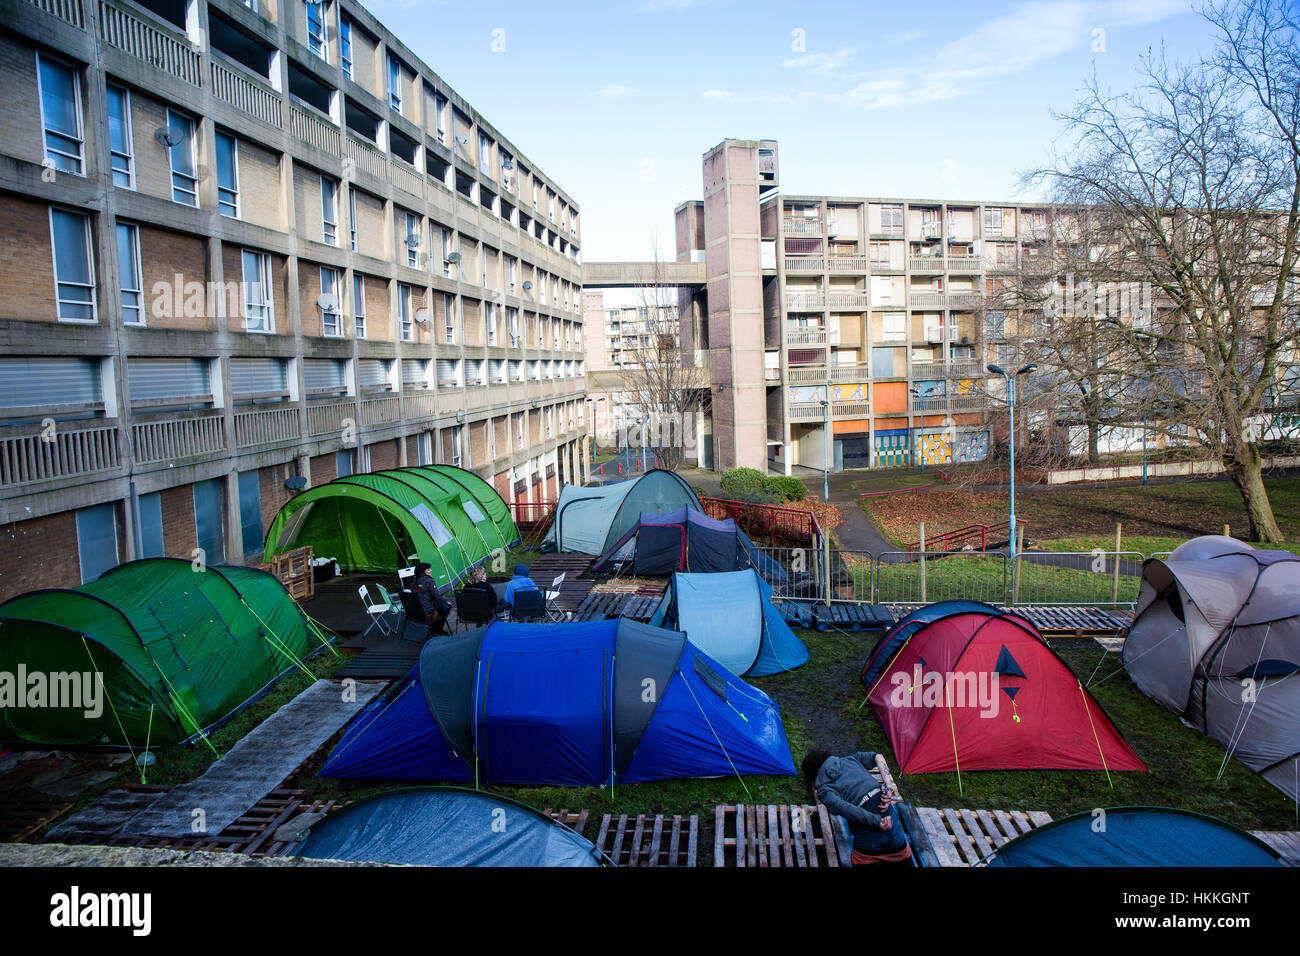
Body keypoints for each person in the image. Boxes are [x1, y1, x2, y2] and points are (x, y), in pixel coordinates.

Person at [802, 749, 913, 867]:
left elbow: (844, 808)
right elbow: (878, 757)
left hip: (870, 844)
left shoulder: (825, 790)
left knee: (860, 860)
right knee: (902, 857)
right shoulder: (851, 759)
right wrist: (889, 786)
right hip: (894, 833)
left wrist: (877, 822)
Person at [412, 562, 452, 636]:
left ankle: (434, 628)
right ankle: (437, 630)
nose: (430, 571)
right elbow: (436, 597)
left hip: (415, 613)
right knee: (447, 607)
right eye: (428, 569)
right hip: (427, 613)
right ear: (423, 572)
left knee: (439, 604)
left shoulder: (414, 581)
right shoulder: (429, 581)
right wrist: (446, 601)